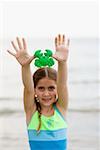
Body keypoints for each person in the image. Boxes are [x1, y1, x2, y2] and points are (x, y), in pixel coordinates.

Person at [7, 34, 70, 150]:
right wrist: (25, 67)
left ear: (57, 89)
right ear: (35, 90)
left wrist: (63, 63)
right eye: (41, 88)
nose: (46, 94)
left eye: (51, 88)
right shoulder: (31, 111)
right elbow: (28, 88)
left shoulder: (61, 109)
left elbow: (62, 85)